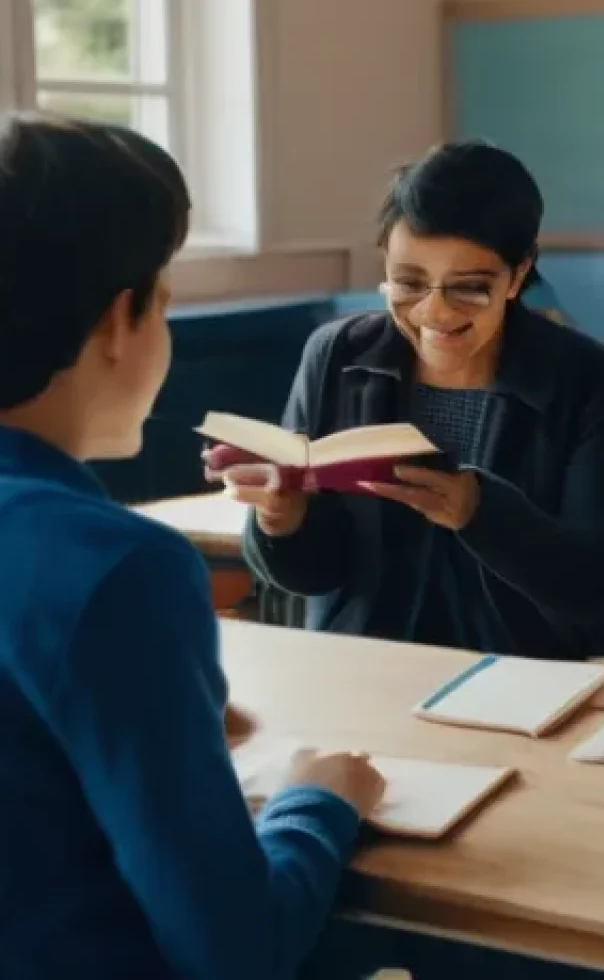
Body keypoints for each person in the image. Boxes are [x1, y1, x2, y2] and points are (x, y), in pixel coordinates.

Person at [0, 113, 385, 979]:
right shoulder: (121, 568)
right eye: (165, 299)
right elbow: (237, 951)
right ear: (116, 320)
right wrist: (317, 801)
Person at [227, 140, 604, 660]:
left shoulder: (588, 378)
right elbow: (315, 576)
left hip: (534, 673)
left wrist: (478, 511)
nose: (435, 312)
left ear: (519, 274)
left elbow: (591, 584)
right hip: (371, 663)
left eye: (469, 288)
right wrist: (282, 520)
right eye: (408, 282)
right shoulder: (335, 356)